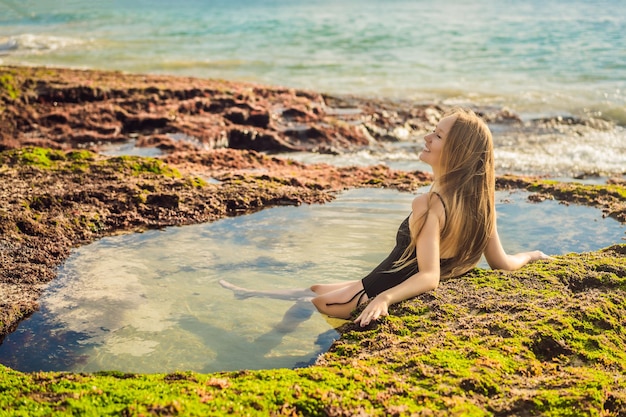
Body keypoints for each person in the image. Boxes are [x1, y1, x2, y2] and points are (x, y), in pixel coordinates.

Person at [220, 107, 550, 327]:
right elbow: (503, 264)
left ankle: (272, 341)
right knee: (315, 285)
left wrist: (384, 299)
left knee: (310, 301)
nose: (426, 138)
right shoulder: (481, 207)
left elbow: (430, 276)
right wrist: (532, 255)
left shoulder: (431, 203)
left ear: (456, 152)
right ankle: (249, 293)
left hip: (368, 294)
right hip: (372, 284)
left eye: (436, 135)